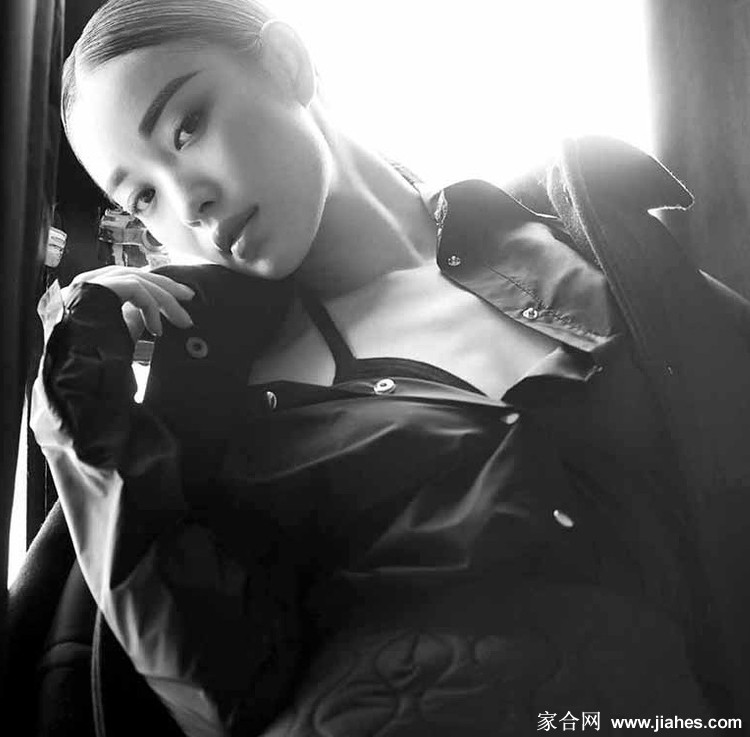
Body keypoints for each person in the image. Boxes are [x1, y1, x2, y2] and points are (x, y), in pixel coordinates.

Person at [29, 0, 750, 735]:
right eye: (144, 195)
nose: (188, 201)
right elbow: (213, 692)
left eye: (187, 127)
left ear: (287, 64)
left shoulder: (587, 242)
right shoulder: (215, 416)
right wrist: (79, 381)